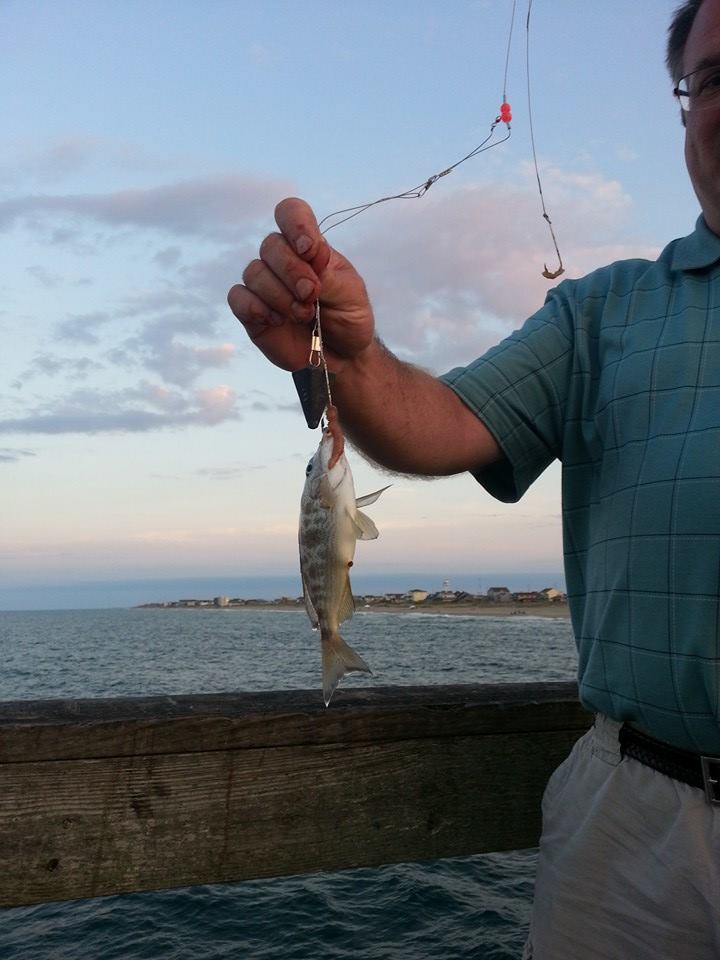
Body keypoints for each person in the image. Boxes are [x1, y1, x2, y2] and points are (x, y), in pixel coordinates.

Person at [228, 0, 720, 956]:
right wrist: (350, 360)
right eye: (714, 79)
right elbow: (447, 420)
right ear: (683, 108)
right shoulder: (600, 315)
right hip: (633, 835)